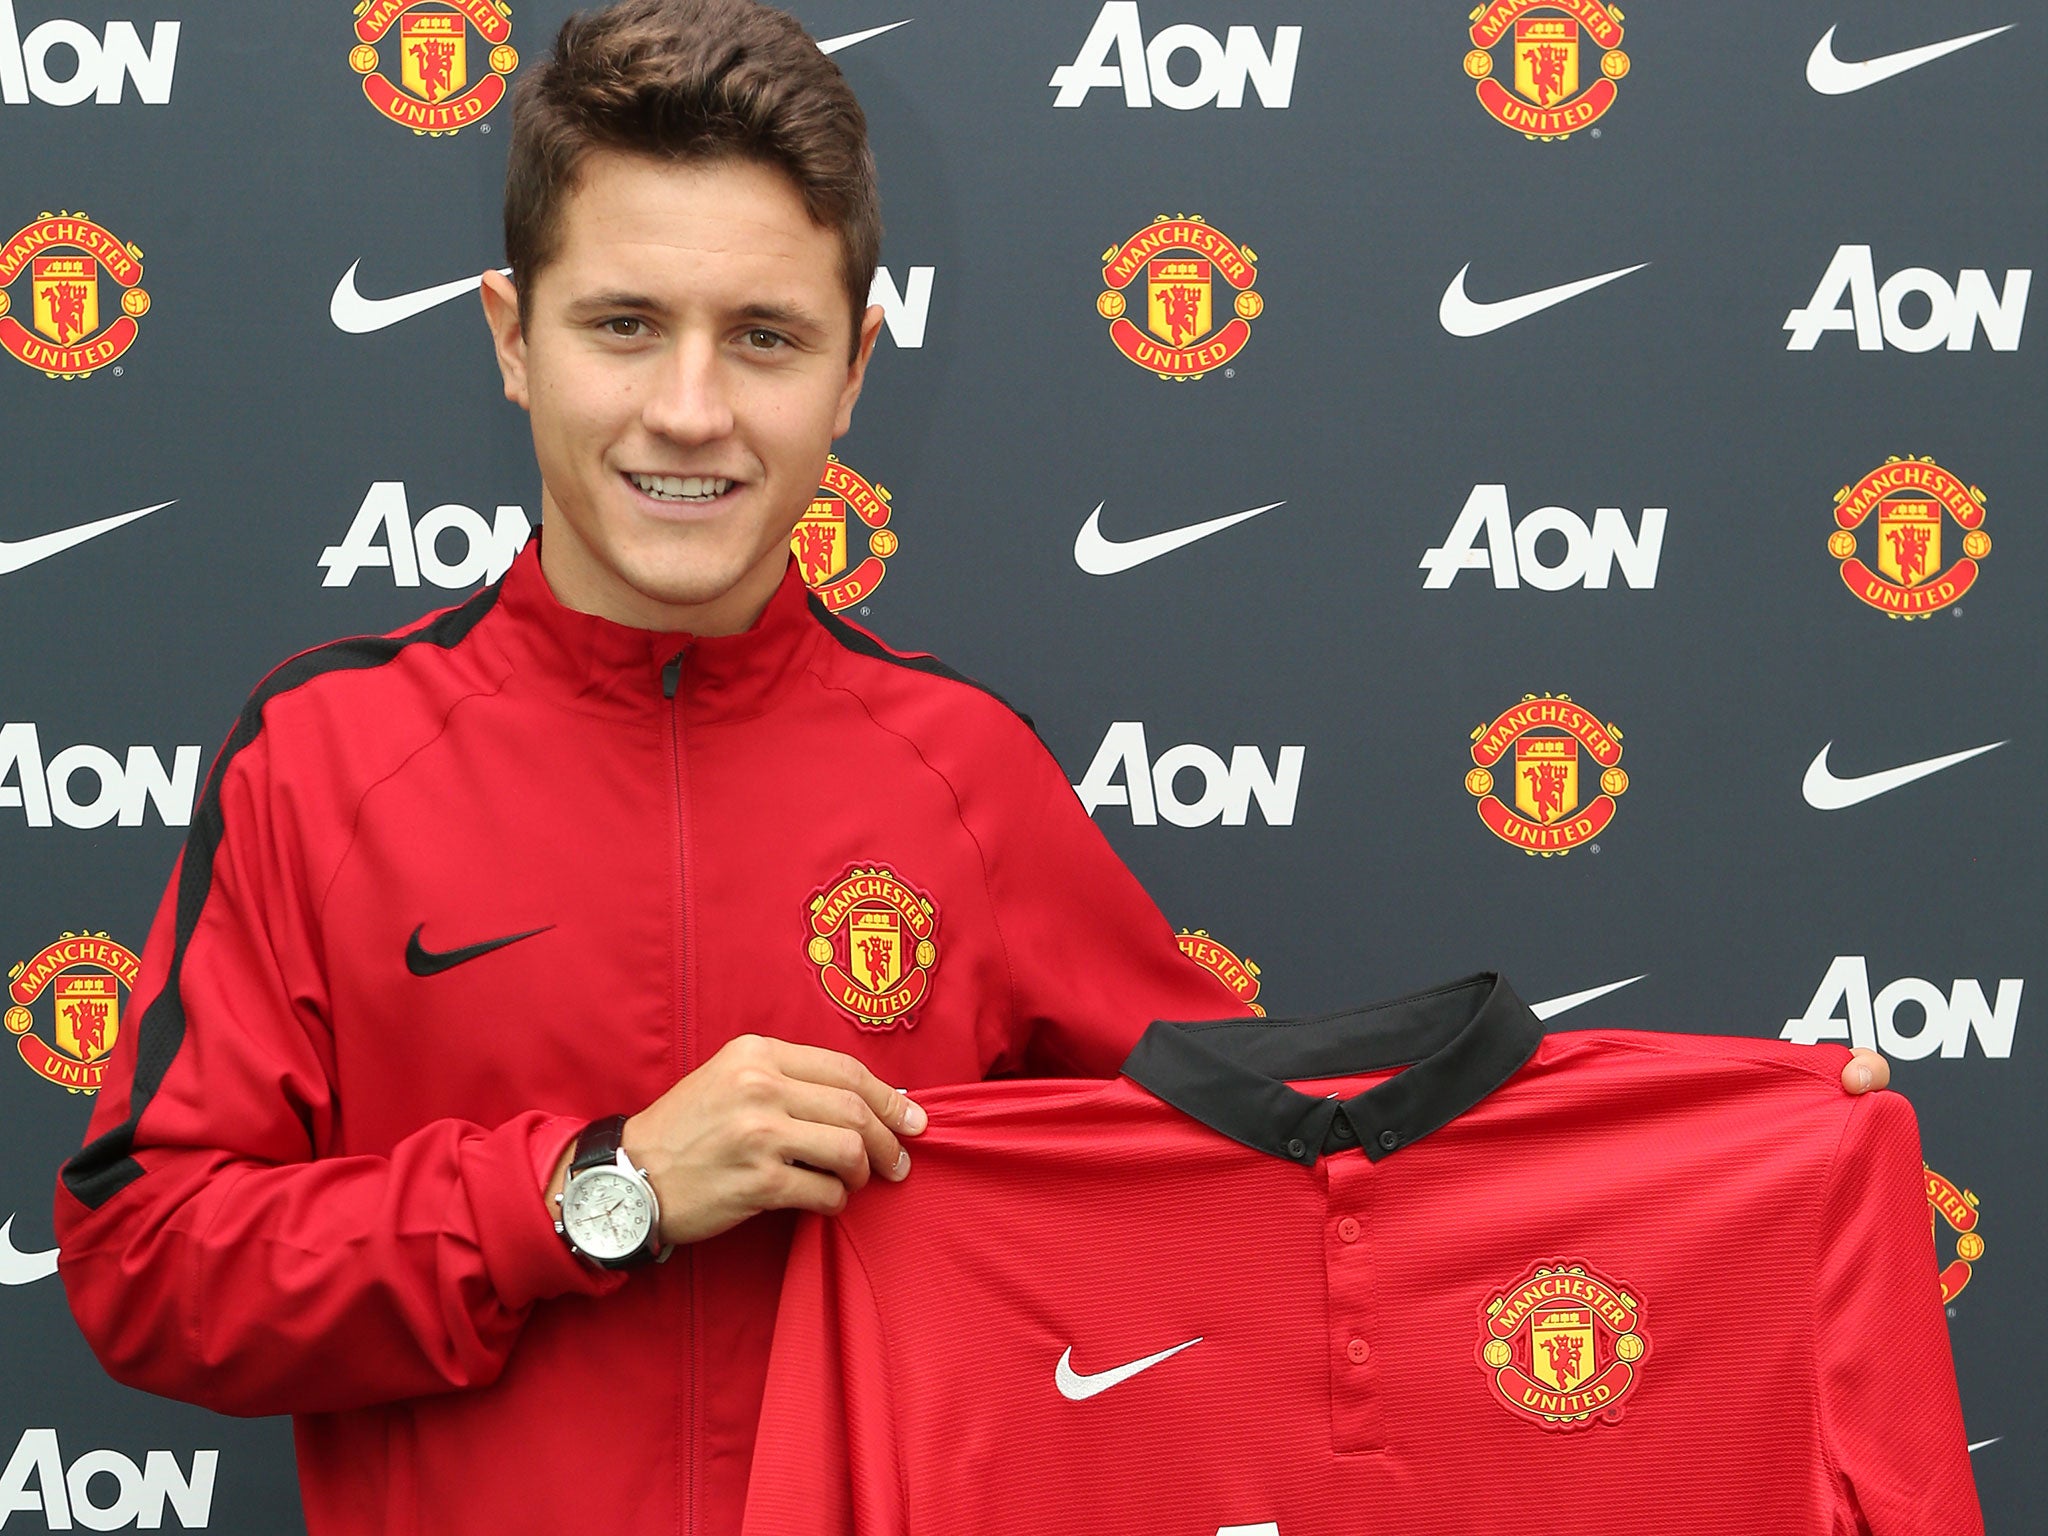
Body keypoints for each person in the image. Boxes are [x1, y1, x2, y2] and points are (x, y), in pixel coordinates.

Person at [53, 3, 1888, 1535]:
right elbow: (148, 1261)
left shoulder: (961, 777)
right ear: (509, 339)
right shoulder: (328, 757)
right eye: (625, 325)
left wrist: (1734, 1137)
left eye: (763, 338)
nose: (690, 408)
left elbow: (1269, 1174)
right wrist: (593, 1189)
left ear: (853, 373)